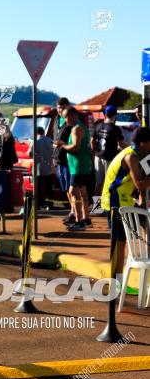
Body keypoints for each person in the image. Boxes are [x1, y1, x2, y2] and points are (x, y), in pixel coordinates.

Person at [101, 127, 150, 275]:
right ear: (143, 143)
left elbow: (144, 179)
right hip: (113, 202)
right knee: (119, 244)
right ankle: (116, 281)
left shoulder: (141, 153)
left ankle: (143, 274)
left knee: (147, 227)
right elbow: (140, 183)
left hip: (127, 201)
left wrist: (142, 200)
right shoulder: (131, 157)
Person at [54, 105, 92, 231]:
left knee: (73, 192)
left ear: (72, 115)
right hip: (81, 165)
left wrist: (62, 144)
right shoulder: (80, 127)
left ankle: (79, 221)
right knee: (82, 192)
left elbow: (75, 147)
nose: (65, 120)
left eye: (65, 117)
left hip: (78, 166)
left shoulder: (76, 129)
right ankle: (86, 219)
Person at [93, 106, 125, 195]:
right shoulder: (115, 128)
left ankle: (97, 205)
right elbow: (121, 144)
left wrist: (94, 154)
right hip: (109, 158)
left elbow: (92, 141)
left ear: (105, 115)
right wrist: (131, 148)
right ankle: (107, 204)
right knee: (109, 182)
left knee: (98, 183)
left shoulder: (98, 126)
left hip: (98, 157)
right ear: (115, 115)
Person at [29, 127, 54, 210]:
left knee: (37, 189)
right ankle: (49, 204)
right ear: (43, 132)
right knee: (48, 189)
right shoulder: (50, 140)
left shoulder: (35, 141)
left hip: (38, 169)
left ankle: (38, 205)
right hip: (49, 168)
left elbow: (30, 154)